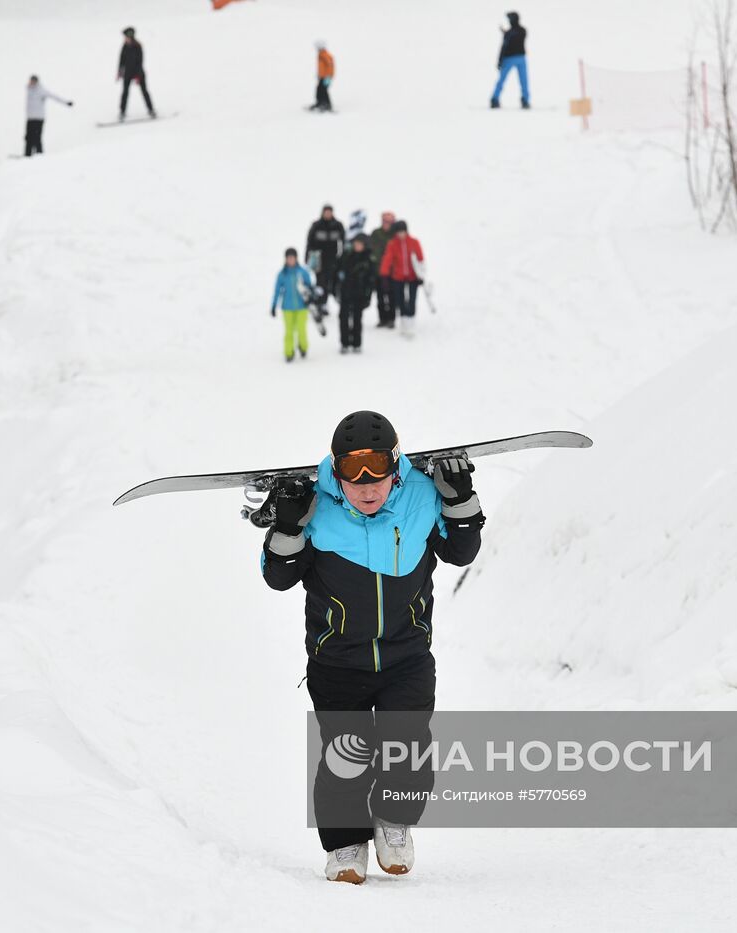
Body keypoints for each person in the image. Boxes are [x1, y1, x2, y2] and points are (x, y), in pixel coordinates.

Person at [261, 410, 485, 883]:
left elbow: (461, 552)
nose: (366, 487)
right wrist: (286, 525)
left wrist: (461, 499)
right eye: (352, 474)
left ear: (395, 465)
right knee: (347, 756)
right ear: (336, 471)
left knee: (408, 746)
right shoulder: (314, 507)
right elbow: (279, 578)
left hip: (407, 655)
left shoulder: (422, 498)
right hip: (337, 661)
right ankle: (345, 845)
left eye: (377, 472)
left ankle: (394, 820)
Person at [379, 220, 426, 337]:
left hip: (413, 277)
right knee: (400, 300)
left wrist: (421, 275)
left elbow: (420, 259)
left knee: (411, 300)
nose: (401, 234)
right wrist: (384, 275)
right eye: (399, 232)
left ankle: (411, 322)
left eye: (403, 232)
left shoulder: (414, 242)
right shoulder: (392, 244)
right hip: (398, 277)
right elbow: (387, 259)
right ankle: (404, 322)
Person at [270, 248, 315, 363]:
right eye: (288, 258)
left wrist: (310, 297)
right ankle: (288, 352)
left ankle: (303, 347)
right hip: (287, 308)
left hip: (301, 307)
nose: (290, 260)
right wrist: (274, 305)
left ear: (296, 258)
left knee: (301, 329)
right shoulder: (282, 274)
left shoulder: (303, 272)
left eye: (292, 257)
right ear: (285, 259)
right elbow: (277, 291)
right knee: (289, 331)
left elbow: (310, 288)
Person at [336, 234, 374, 354]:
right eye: (355, 243)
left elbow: (371, 280)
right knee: (343, 318)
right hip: (345, 293)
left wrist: (368, 296)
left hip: (360, 294)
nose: (357, 246)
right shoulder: (346, 256)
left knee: (357, 319)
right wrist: (336, 289)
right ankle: (344, 343)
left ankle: (357, 343)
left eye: (360, 244)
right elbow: (336, 272)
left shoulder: (368, 259)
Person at [25, 75, 72, 157]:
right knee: (28, 137)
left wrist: (66, 102)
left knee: (37, 137)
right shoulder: (29, 90)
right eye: (31, 80)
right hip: (30, 118)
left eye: (33, 81)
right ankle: (27, 155)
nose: (31, 82)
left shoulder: (41, 90)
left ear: (36, 81)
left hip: (39, 118)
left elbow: (54, 96)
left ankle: (39, 154)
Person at [305, 205, 346, 300]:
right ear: (322, 213)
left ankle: (326, 300)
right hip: (318, 258)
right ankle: (320, 301)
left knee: (330, 281)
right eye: (326, 212)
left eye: (329, 212)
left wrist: (342, 257)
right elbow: (309, 242)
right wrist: (307, 257)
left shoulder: (338, 225)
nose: (328, 214)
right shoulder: (316, 225)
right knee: (320, 281)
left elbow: (343, 242)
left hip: (332, 258)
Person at [491, 11, 530, 109]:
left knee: (502, 80)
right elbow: (516, 35)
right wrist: (506, 33)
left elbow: (504, 46)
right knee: (523, 81)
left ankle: (494, 99)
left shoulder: (511, 33)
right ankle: (525, 100)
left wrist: (499, 60)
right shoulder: (522, 30)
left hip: (510, 58)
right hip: (520, 58)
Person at [117, 27, 157, 121]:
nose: (125, 38)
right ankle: (122, 112)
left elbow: (140, 62)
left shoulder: (138, 46)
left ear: (131, 37)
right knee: (125, 93)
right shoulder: (124, 46)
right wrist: (120, 72)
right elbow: (121, 60)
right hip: (127, 73)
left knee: (144, 91)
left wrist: (138, 76)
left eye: (126, 37)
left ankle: (151, 110)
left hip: (138, 73)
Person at [367, 211, 397, 327]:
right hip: (377, 271)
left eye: (389, 222)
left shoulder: (395, 235)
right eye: (385, 221)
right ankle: (382, 318)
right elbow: (369, 248)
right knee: (379, 297)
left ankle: (391, 319)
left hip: (391, 273)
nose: (386, 224)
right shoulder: (375, 233)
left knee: (391, 296)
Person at [310, 40, 335, 112]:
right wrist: (319, 75)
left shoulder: (325, 55)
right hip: (322, 76)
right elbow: (322, 67)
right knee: (319, 89)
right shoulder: (321, 54)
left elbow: (330, 66)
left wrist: (329, 76)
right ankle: (319, 103)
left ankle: (327, 104)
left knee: (324, 90)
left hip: (326, 77)